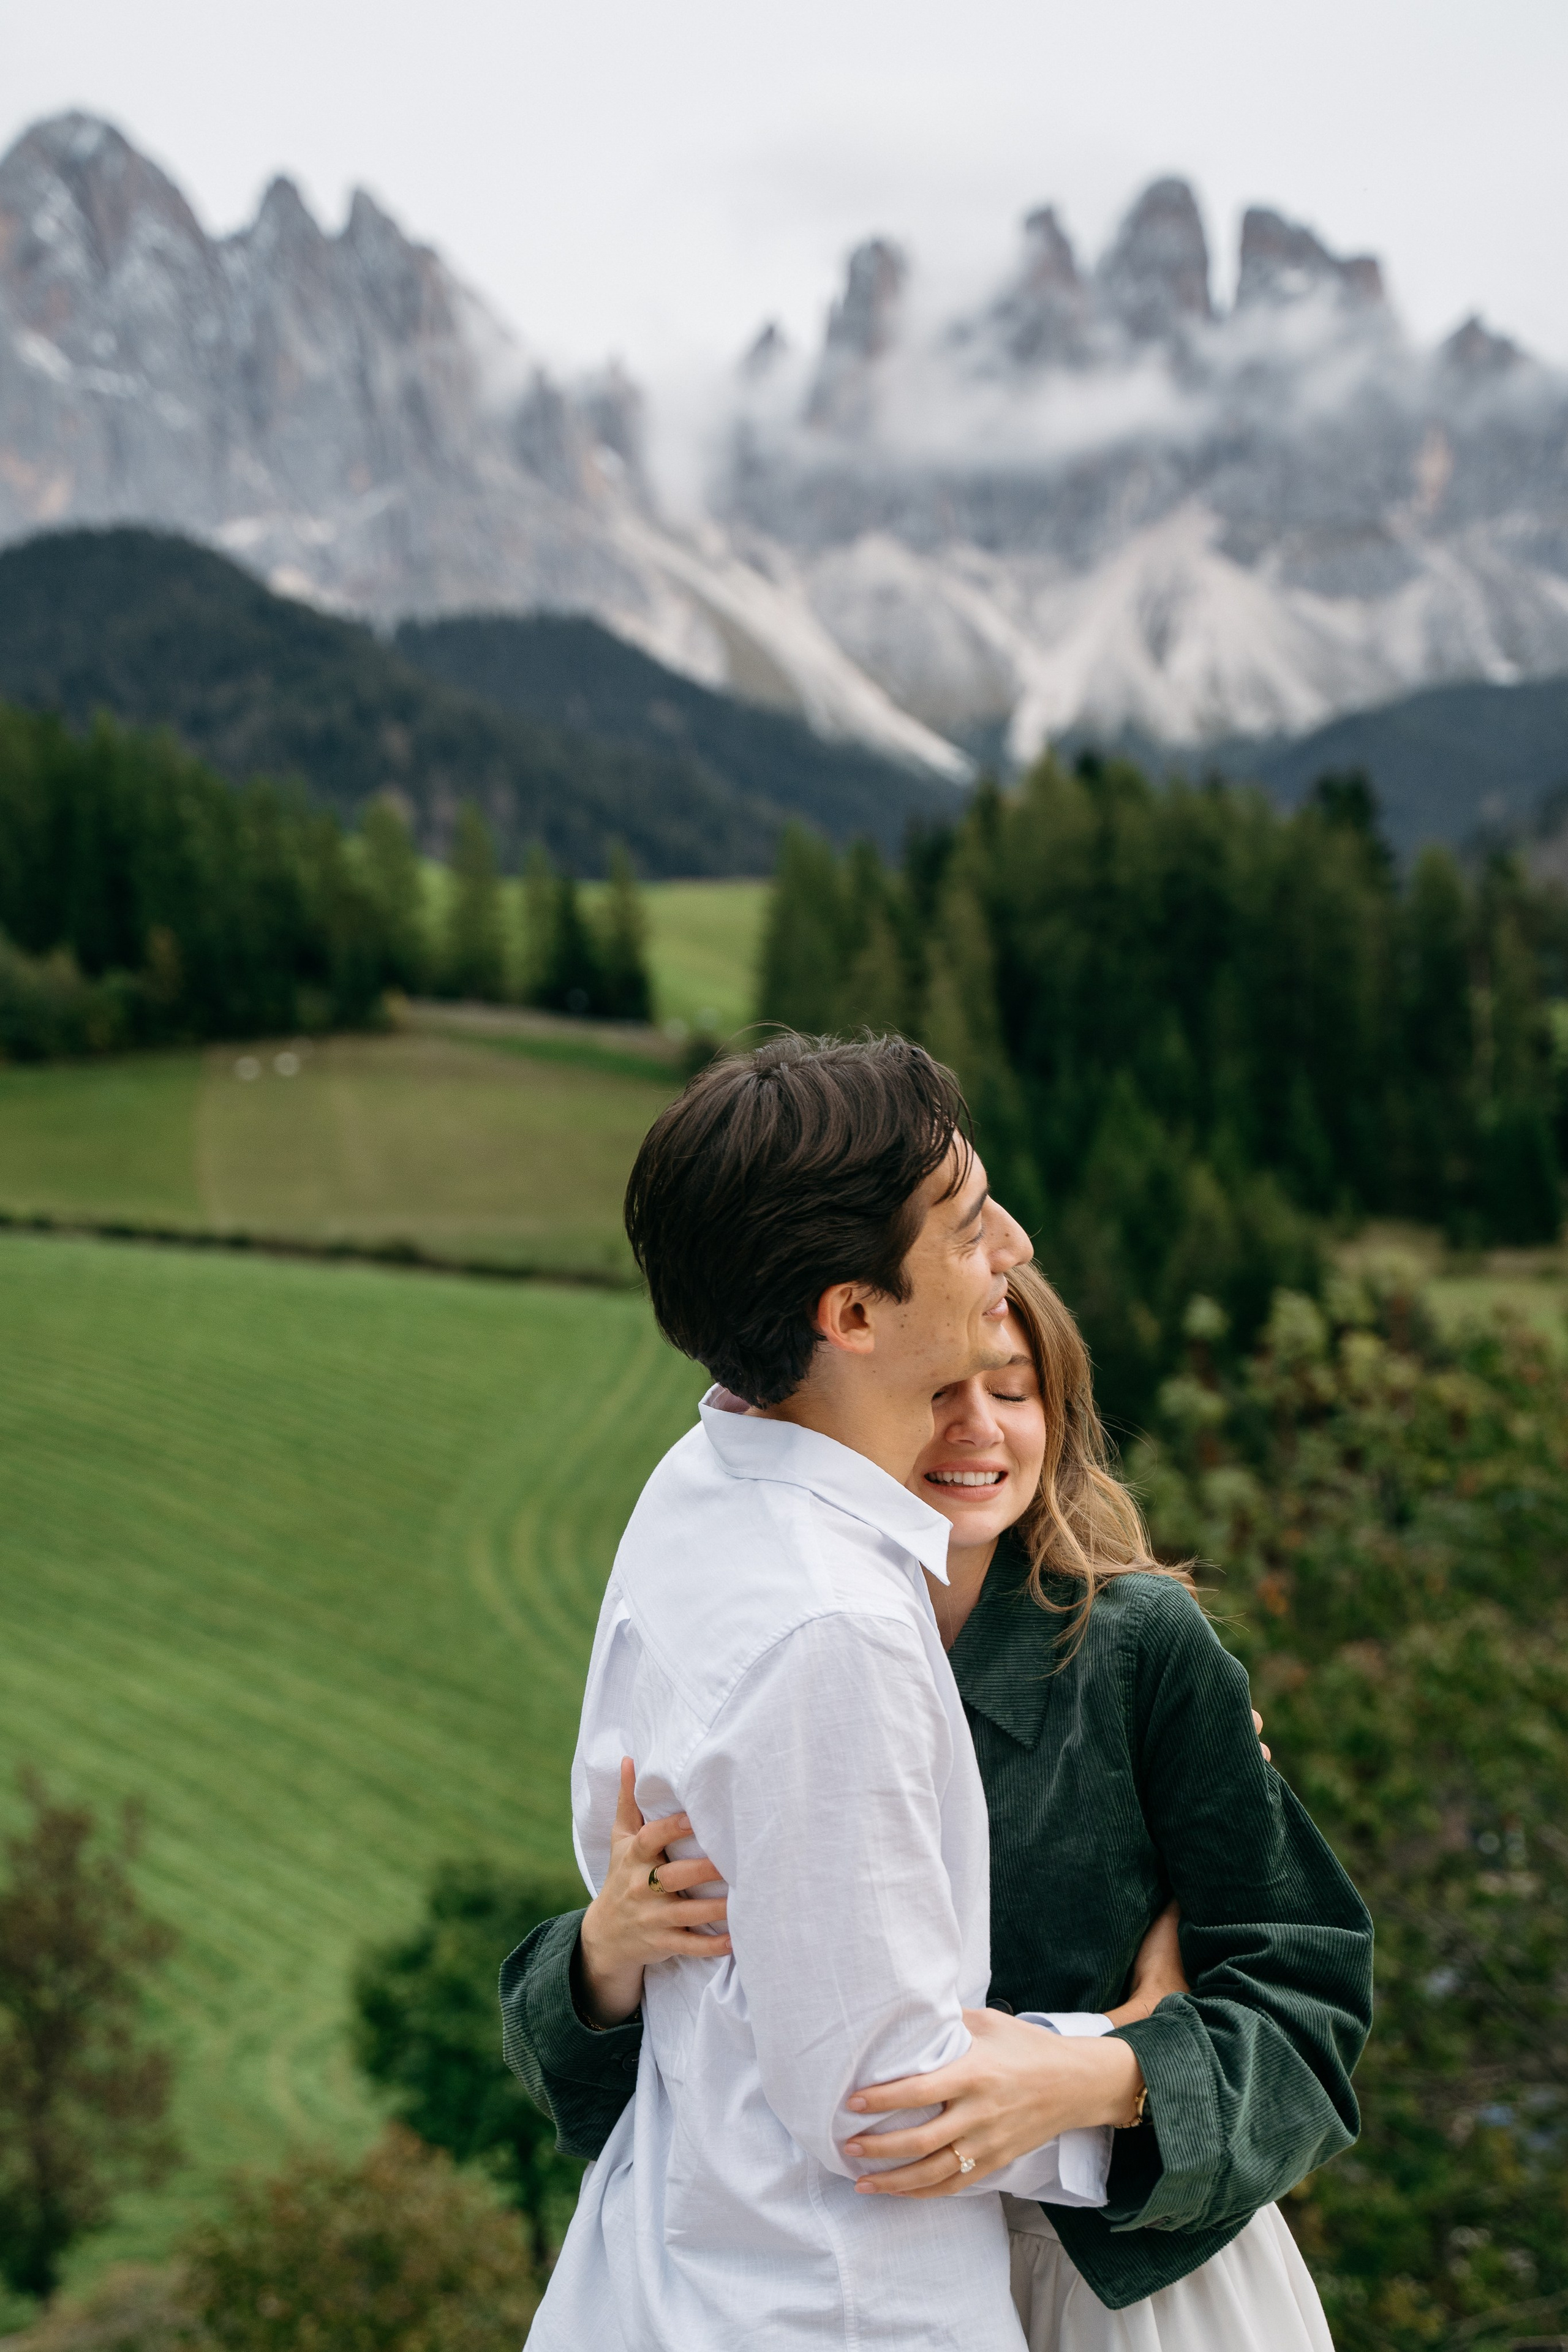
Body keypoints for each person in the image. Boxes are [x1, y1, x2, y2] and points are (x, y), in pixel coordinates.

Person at [503, 1253, 1374, 2350]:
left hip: (1124, 2284)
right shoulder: (780, 1639)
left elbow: (1310, 2004)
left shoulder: (1145, 1651)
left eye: (1011, 1392)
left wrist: (1107, 2076)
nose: (975, 1430)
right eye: (936, 1394)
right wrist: (603, 1955)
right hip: (832, 2277)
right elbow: (674, 2070)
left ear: (1058, 1415)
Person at [515, 1033, 1161, 2352]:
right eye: (971, 1222)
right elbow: (888, 2106)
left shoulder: (698, 1482)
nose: (1015, 1247)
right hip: (832, 2311)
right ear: (851, 1315)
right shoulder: (832, 1633)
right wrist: (1130, 2061)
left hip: (681, 2266)